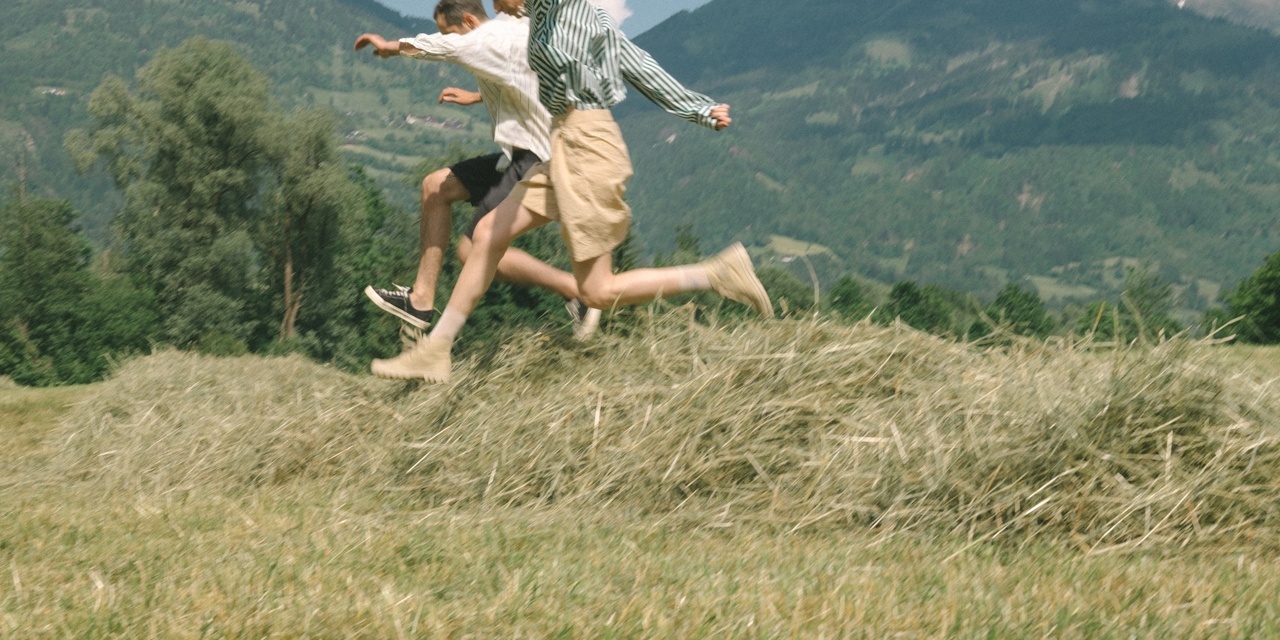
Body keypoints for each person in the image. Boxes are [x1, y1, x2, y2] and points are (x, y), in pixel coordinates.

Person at [371, 0, 773, 383]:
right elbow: (614, 65)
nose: (494, 6)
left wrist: (697, 109)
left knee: (597, 291)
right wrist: (699, 108)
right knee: (489, 233)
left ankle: (715, 273)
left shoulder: (562, 14)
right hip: (562, 141)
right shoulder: (554, 22)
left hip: (586, 147)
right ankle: (437, 349)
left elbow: (635, 63)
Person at [354, 0, 600, 339]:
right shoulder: (508, 34)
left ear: (470, 21)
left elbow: (444, 48)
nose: (449, 39)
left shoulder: (491, 39)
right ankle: (420, 300)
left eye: (450, 32)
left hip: (539, 159)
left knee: (471, 250)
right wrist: (478, 96)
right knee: (435, 186)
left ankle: (576, 291)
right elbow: (518, 75)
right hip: (517, 155)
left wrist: (391, 47)